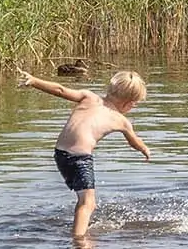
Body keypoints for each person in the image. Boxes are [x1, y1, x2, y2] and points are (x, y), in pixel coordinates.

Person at [18, 68, 152, 238]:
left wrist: (34, 81)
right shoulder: (121, 121)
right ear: (128, 103)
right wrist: (145, 149)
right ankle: (79, 241)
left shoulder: (89, 97)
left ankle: (78, 229)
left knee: (83, 199)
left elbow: (60, 90)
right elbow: (134, 141)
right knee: (88, 203)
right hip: (80, 158)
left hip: (60, 155)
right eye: (135, 104)